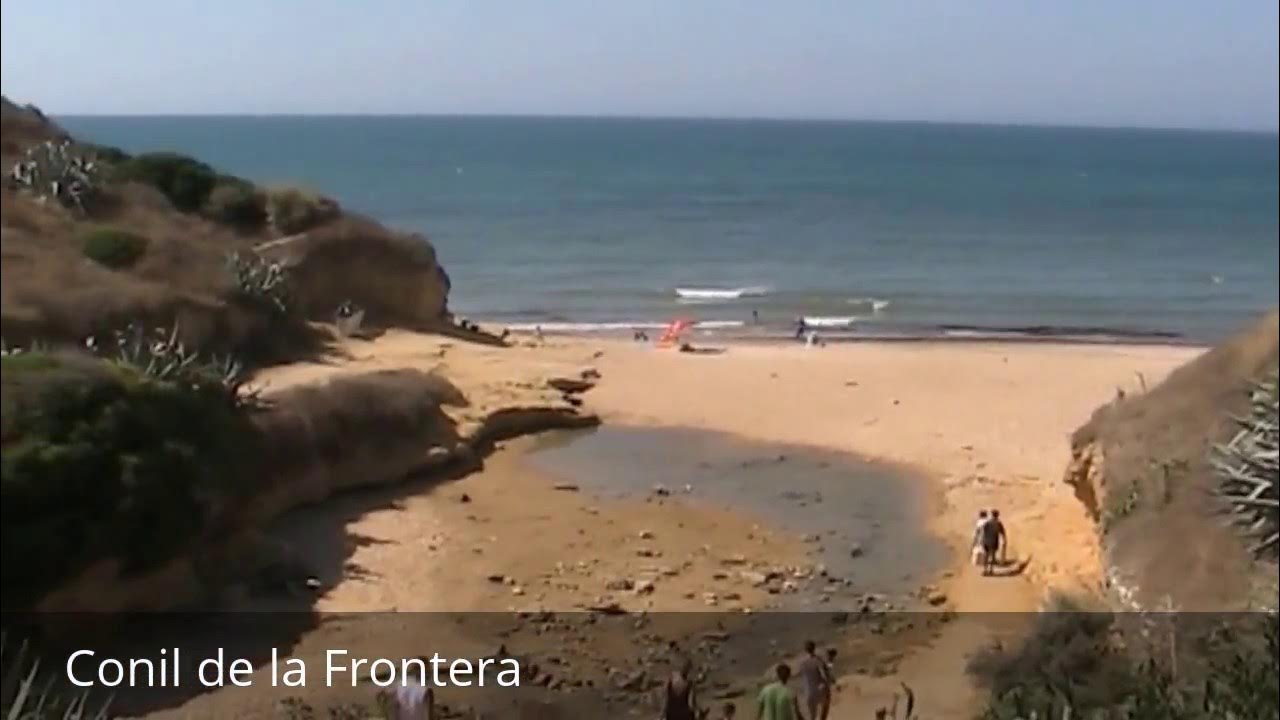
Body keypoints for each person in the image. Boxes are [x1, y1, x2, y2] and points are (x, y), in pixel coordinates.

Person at [798, 641, 832, 720]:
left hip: (808, 692)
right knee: (825, 706)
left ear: (805, 649)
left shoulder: (802, 662)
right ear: (814, 648)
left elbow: (798, 674)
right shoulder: (817, 660)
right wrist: (828, 684)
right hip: (819, 690)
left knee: (812, 716)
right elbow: (824, 674)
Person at [978, 509, 1007, 576]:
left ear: (992, 515)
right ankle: (991, 570)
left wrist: (981, 540)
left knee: (986, 556)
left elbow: (983, 532)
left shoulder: (988, 522)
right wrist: (1004, 540)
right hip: (994, 542)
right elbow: (1002, 533)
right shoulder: (999, 523)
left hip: (986, 541)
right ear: (997, 515)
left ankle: (985, 570)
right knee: (992, 556)